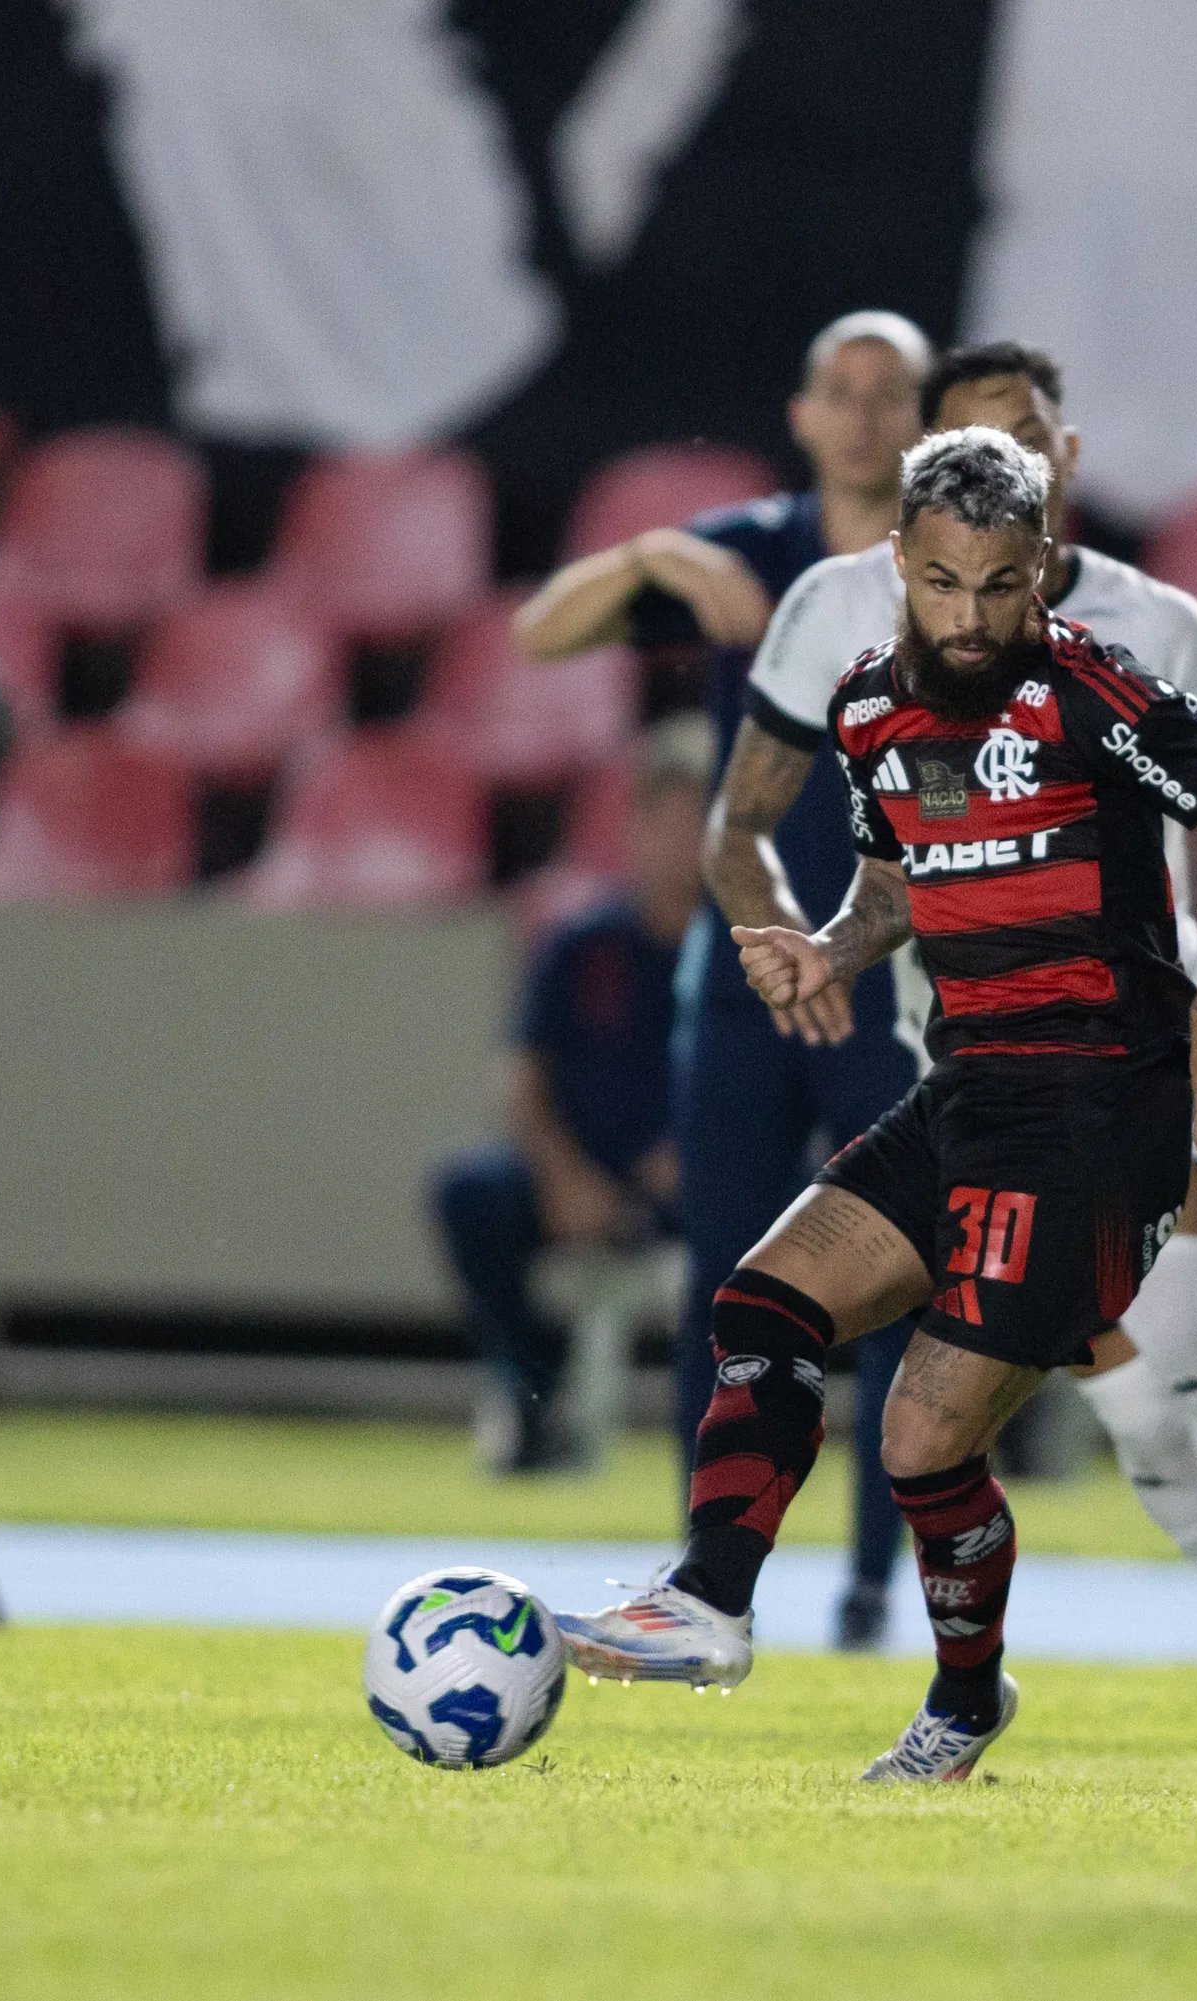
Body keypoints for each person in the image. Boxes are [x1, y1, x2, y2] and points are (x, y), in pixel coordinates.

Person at [556, 427, 1197, 1783]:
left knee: (923, 1440)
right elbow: (896, 889)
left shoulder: (1095, 693)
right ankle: (710, 1604)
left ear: (1041, 568)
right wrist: (829, 951)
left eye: (998, 584)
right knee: (763, 1302)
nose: (970, 618)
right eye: (941, 583)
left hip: (1104, 1114)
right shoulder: (866, 707)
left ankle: (964, 1703)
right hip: (969, 1084)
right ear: (900, 569)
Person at [698, 340, 1197, 1749]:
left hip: (1135, 1053)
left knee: (1188, 1345)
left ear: (1062, 467)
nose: (1000, 477)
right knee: (1139, 1412)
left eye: (1026, 445)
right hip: (961, 1057)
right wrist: (810, 942)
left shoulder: (1143, 634)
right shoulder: (843, 635)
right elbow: (802, 839)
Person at [516, 309, 931, 1647]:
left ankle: (879, 1576)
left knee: (897, 1284)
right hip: (751, 965)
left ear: (926, 422)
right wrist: (654, 555)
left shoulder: (958, 563)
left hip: (890, 969)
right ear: (804, 415)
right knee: (728, 1278)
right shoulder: (750, 546)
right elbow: (544, 638)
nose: (865, 416)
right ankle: (709, 1576)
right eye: (842, 391)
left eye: (891, 394)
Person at [429, 718, 707, 1473]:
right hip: (580, 1172)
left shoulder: (745, 948)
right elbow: (521, 1074)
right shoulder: (586, 942)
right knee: (470, 1191)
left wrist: (698, 1157)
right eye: (671, 819)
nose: (686, 841)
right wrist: (562, 1174)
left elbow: (783, 1084)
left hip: (695, 1183)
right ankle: (531, 1390)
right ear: (638, 823)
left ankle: (739, 1431)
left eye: (702, 821)